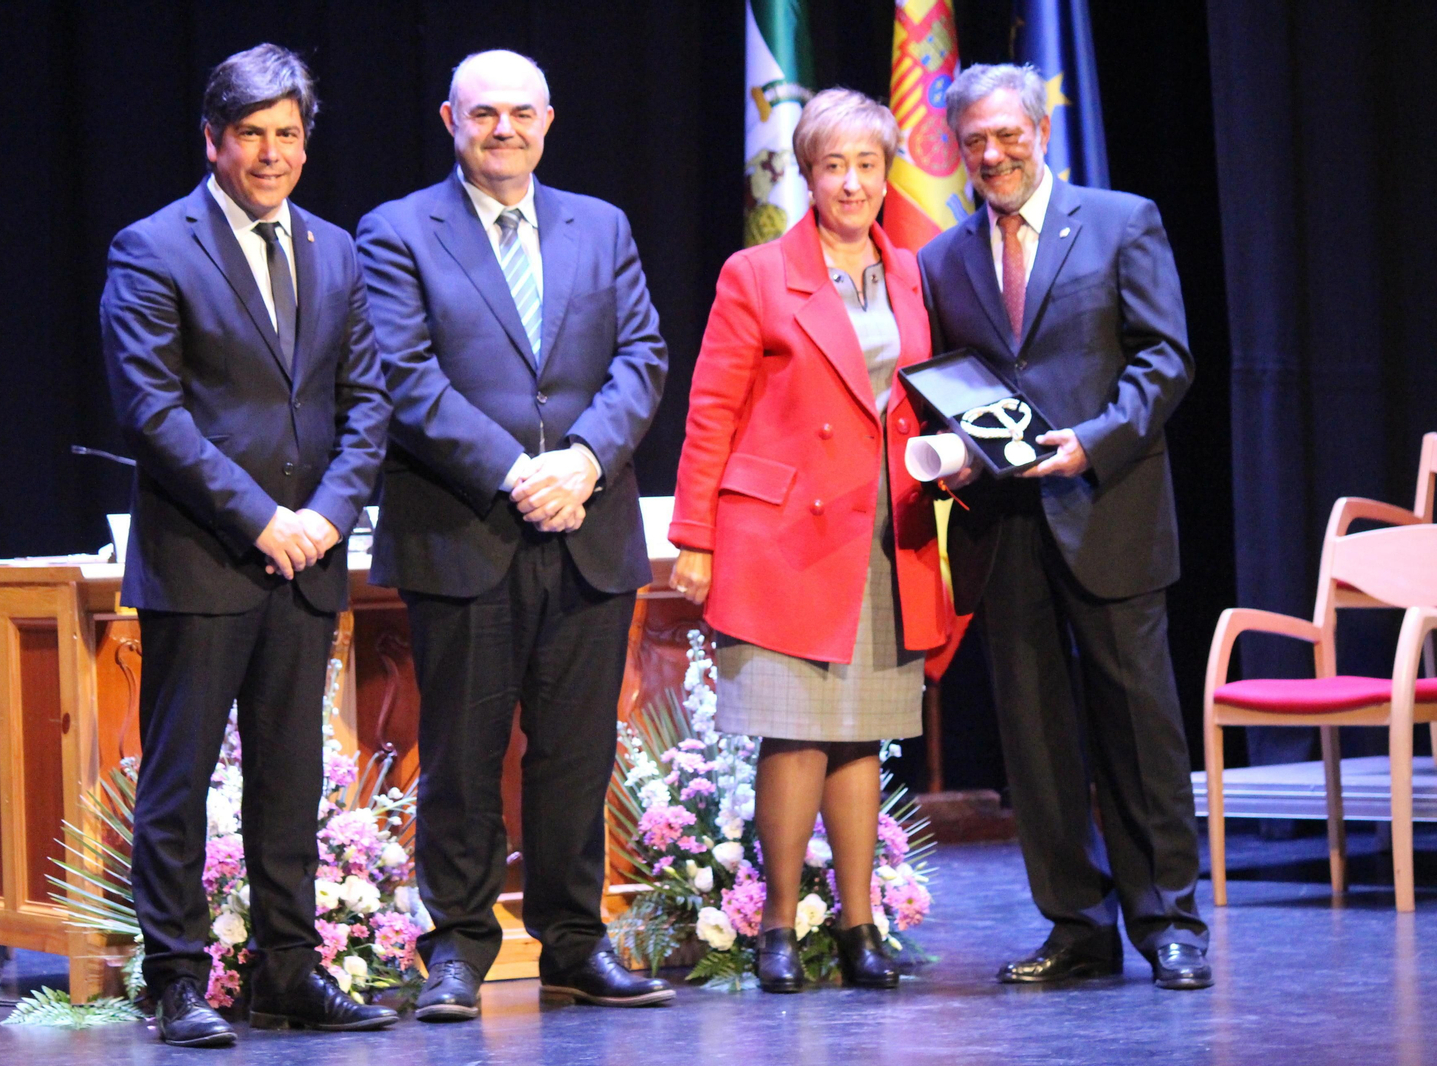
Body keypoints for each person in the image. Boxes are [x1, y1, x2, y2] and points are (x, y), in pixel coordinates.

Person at [356, 49, 671, 1021]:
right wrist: (516, 471)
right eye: (483, 113)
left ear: (548, 119)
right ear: (451, 118)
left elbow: (641, 355)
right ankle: (455, 949)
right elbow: (404, 375)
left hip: (588, 527)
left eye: (520, 113)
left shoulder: (600, 224)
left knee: (577, 755)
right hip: (464, 532)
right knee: (459, 755)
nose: (503, 129)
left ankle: (576, 945)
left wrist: (580, 460)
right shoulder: (397, 229)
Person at [100, 44, 394, 1046]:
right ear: (213, 141)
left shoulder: (336, 249)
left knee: (290, 777)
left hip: (307, 560)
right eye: (253, 136)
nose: (272, 155)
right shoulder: (151, 247)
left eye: (289, 136)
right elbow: (153, 410)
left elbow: (367, 402)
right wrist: (261, 518)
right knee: (179, 779)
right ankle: (176, 978)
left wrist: (325, 516)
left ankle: (287, 968)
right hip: (205, 558)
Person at [916, 63, 1211, 990]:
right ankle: (1077, 928)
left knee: (1139, 727)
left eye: (1008, 135)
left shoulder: (1123, 220)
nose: (992, 154)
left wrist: (1093, 442)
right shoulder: (941, 257)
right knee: (1035, 741)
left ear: (1040, 130)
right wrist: (958, 448)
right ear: (958, 148)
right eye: (974, 142)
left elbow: (1167, 358)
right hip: (1005, 527)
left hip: (1109, 508)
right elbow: (949, 386)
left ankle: (1169, 922)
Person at [668, 88, 951, 993]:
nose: (854, 182)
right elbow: (711, 411)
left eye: (869, 164)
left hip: (881, 531)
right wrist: (694, 535)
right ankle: (779, 929)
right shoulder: (755, 273)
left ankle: (862, 929)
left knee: (863, 739)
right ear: (808, 173)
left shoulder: (909, 271)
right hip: (781, 535)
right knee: (791, 738)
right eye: (835, 165)